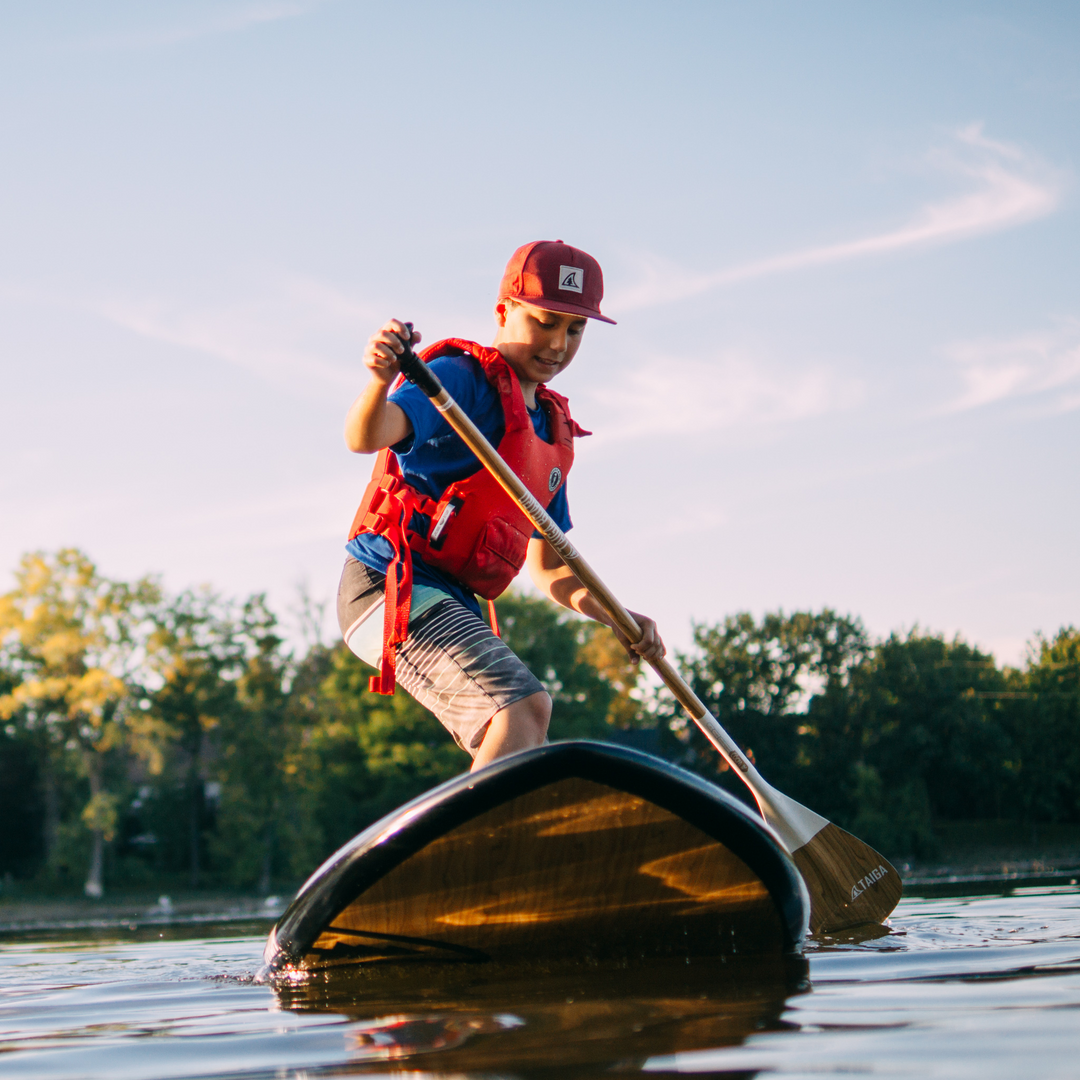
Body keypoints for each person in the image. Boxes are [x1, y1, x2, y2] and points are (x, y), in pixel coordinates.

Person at [338, 240, 665, 772]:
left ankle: (481, 844)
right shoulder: (462, 381)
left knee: (511, 737)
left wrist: (616, 617)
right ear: (504, 310)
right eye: (545, 321)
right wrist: (379, 380)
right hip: (387, 589)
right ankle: (474, 853)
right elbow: (366, 434)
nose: (558, 343)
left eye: (574, 330)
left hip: (452, 601)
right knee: (524, 709)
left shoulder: (551, 433)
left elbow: (550, 566)